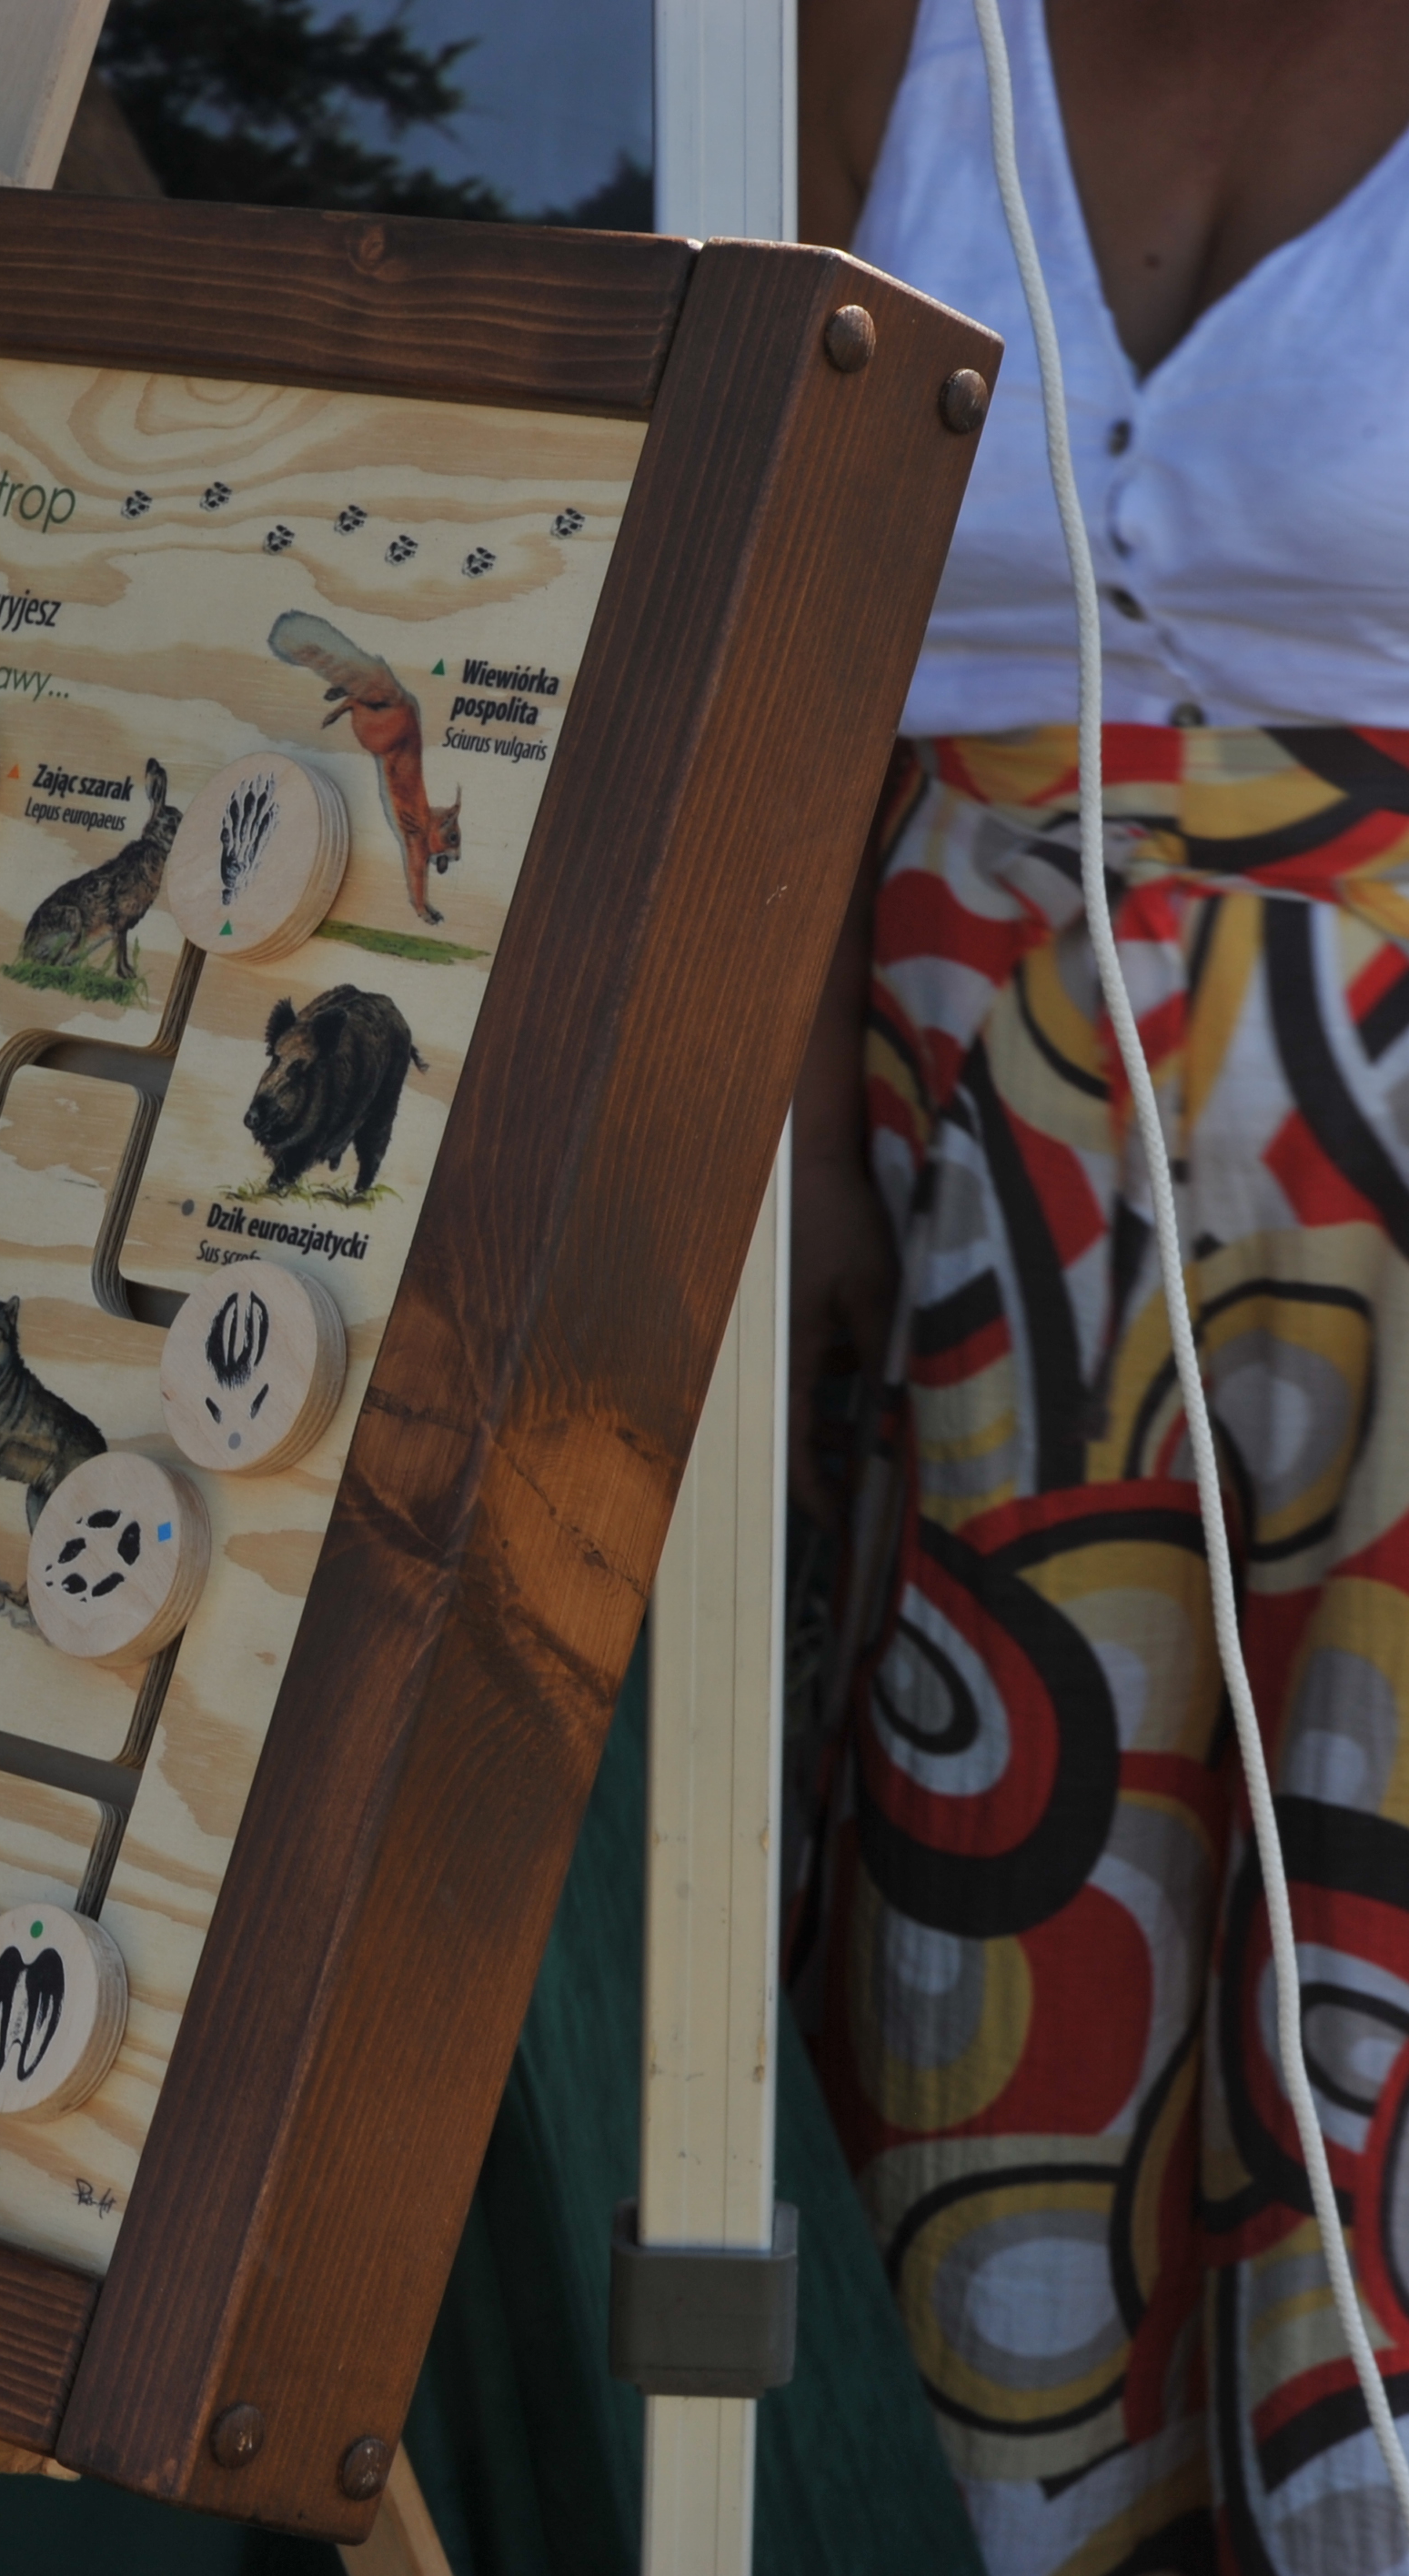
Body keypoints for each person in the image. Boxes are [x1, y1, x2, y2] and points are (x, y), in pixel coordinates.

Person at [791, 1, 1409, 2563]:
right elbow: (774, 585)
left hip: (1396, 1223)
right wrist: (792, 1134)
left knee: (1383, 1955)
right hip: (971, 1189)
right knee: (997, 1948)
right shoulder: (872, 36)